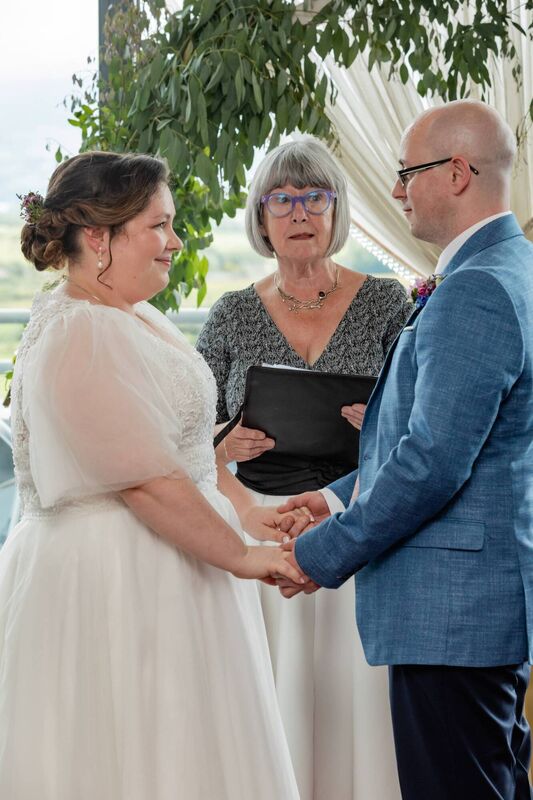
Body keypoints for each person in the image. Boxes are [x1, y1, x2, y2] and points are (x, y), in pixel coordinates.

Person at [0, 151, 304, 799]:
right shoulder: (81, 332)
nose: (175, 242)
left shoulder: (126, 315)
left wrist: (249, 516)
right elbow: (141, 480)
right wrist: (242, 556)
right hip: (116, 581)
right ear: (98, 239)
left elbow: (180, 451)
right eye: (159, 227)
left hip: (173, 560)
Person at [279, 100, 533, 800]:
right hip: (474, 608)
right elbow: (449, 441)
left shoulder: (475, 288)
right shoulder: (511, 266)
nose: (395, 192)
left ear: (456, 173)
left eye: (405, 173)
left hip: (453, 617)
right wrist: (336, 495)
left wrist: (320, 552)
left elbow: (431, 463)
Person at [197, 137, 411, 800]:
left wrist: (374, 423)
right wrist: (220, 447)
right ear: (261, 217)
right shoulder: (231, 312)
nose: (299, 212)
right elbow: (184, 433)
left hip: (355, 519)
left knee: (353, 700)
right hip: (258, 523)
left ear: (335, 210)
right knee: (269, 696)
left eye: (314, 197)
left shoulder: (386, 302)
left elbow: (421, 418)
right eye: (282, 199)